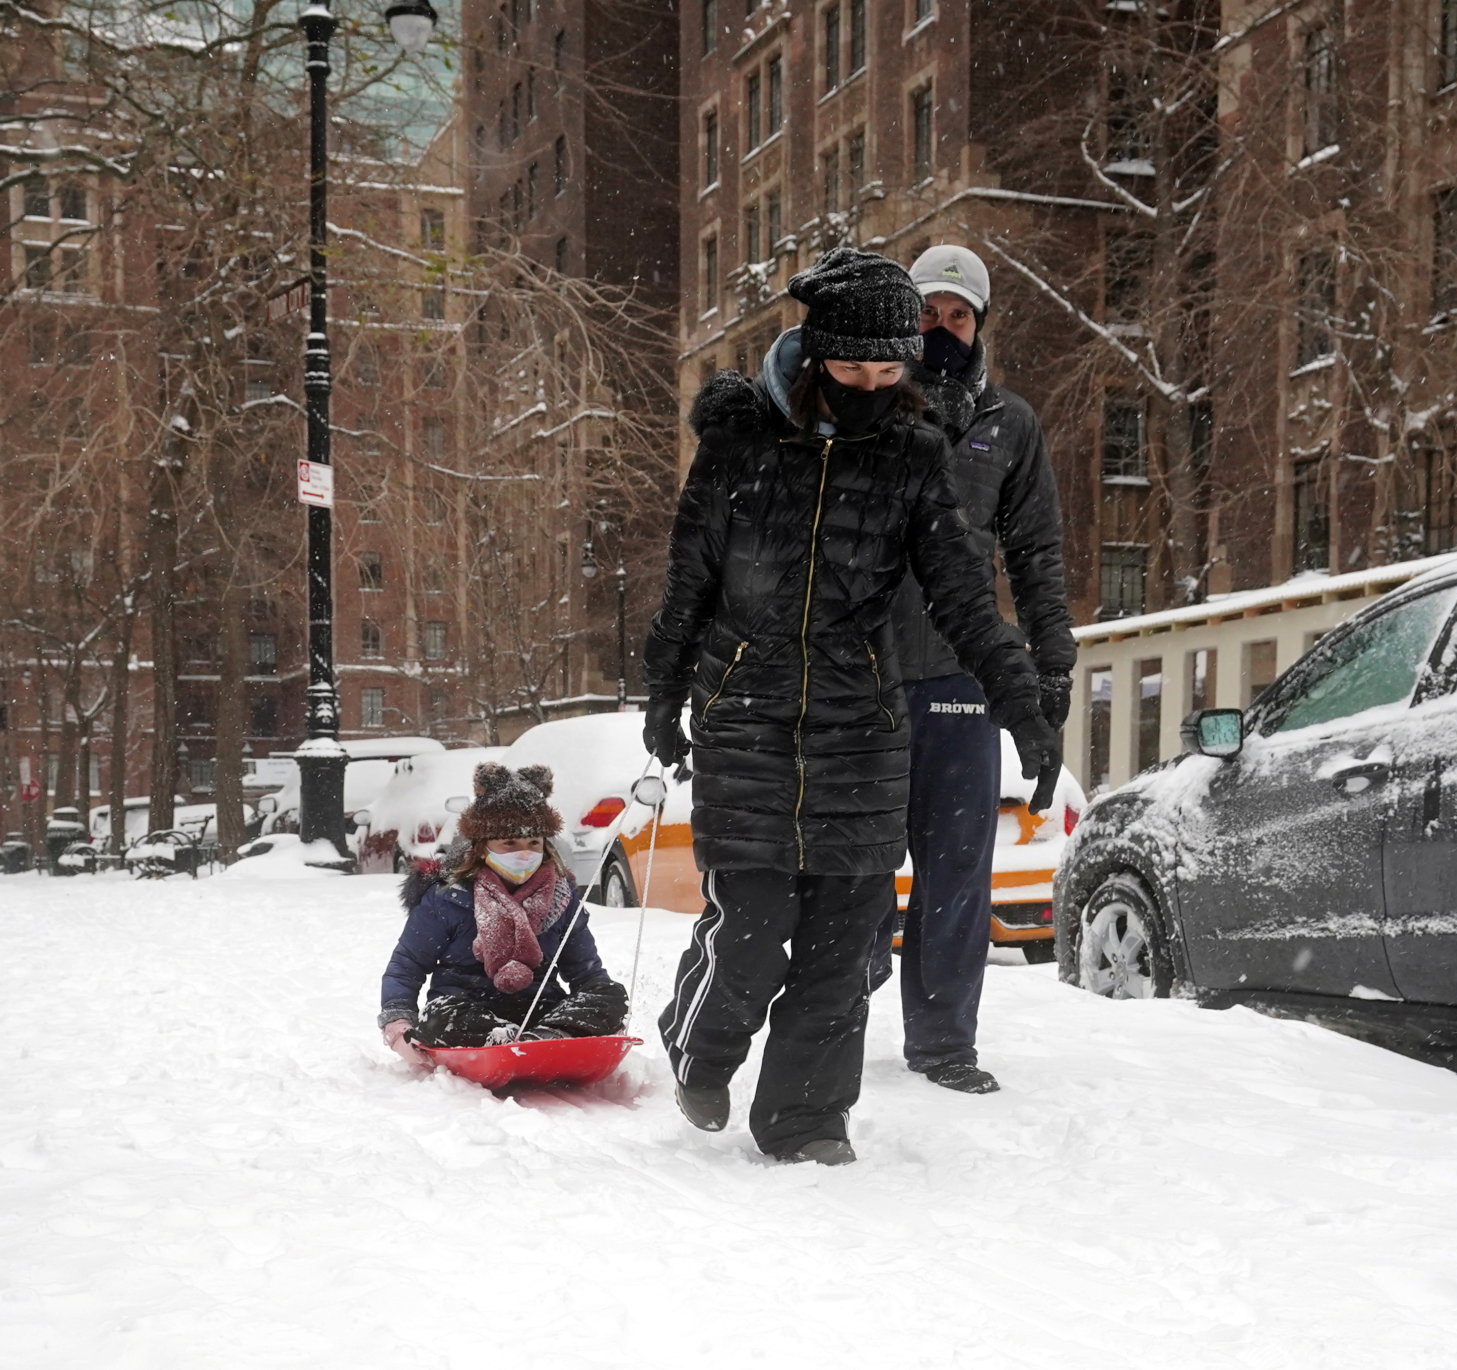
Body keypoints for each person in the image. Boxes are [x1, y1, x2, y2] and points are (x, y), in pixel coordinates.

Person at [641, 246, 1064, 1166]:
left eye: (889, 371)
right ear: (818, 349)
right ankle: (704, 1045)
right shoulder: (741, 438)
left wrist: (1024, 703)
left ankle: (803, 1117)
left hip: (862, 723)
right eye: (854, 369)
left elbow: (960, 591)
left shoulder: (912, 455)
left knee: (840, 943)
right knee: (751, 936)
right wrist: (665, 693)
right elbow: (689, 577)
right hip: (747, 709)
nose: (874, 387)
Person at [868, 244, 1075, 1096]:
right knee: (856, 861)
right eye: (927, 313)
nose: (941, 328)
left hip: (960, 679)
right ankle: (838, 1004)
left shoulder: (1010, 426)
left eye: (958, 315)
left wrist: (1049, 677)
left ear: (979, 324)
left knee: (957, 865)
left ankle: (944, 1042)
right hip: (866, 675)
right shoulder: (868, 408)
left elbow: (1037, 561)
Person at [378, 762, 627, 1061]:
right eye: (509, 842)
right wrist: (398, 1021)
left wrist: (602, 1009)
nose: (524, 852)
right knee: (437, 1018)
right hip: (467, 1010)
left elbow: (586, 972)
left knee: (612, 996)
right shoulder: (448, 897)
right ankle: (499, 1040)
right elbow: (407, 965)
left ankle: (545, 1039)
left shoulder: (561, 899)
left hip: (540, 1012)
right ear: (483, 846)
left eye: (533, 842)